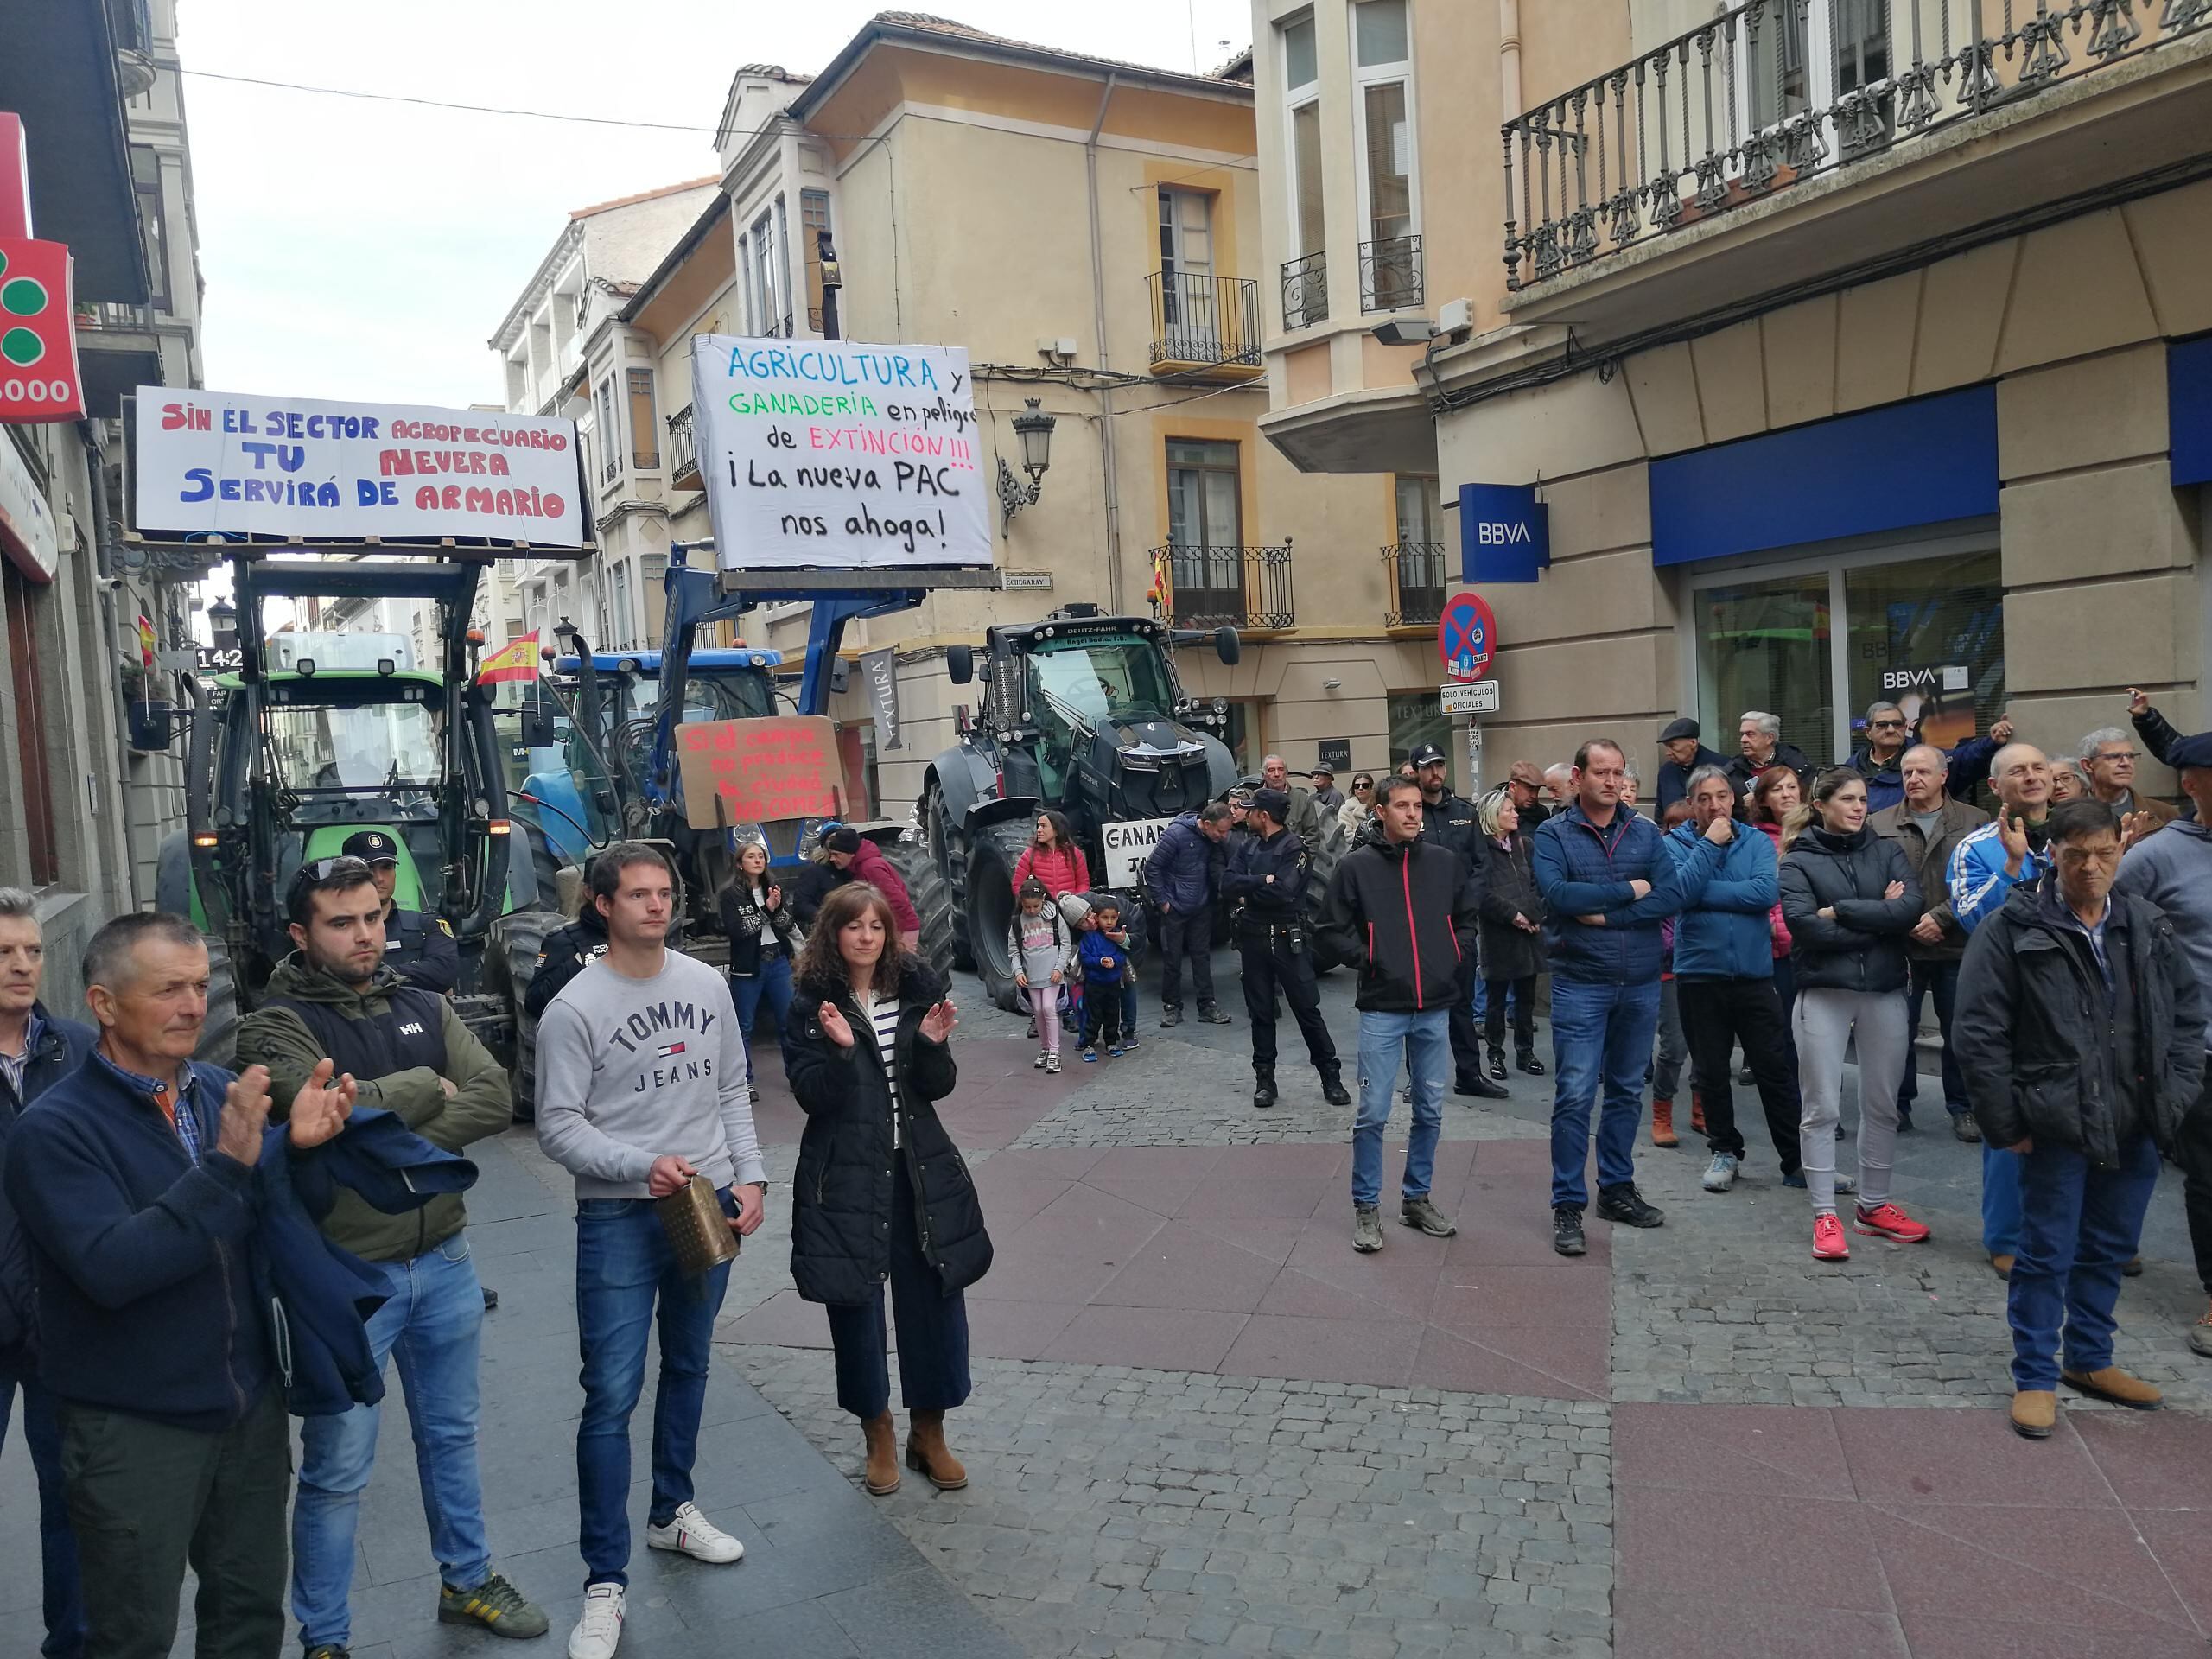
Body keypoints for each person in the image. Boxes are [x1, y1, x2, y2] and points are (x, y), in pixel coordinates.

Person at [5, 912, 354, 1659]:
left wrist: (306, 1155)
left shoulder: (217, 1093)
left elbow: (281, 1225)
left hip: (245, 1410)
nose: (194, 1006)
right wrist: (229, 1166)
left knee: (250, 1621)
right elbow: (112, 1268)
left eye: (199, 986)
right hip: (134, 1428)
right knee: (132, 1635)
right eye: (168, 990)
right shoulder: (55, 1128)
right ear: (103, 1004)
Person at [236, 858, 544, 1656]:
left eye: (374, 916)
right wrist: (419, 1087)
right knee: (338, 1471)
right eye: (343, 922)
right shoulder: (272, 1024)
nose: (367, 934)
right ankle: (327, 1637)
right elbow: (323, 1116)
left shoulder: (423, 1000)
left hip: (445, 1259)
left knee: (452, 1436)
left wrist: (372, 1133)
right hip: (348, 1280)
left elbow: (491, 1095)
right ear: (303, 935)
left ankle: (467, 1581)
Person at [535, 843, 767, 1659]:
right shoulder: (574, 1009)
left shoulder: (706, 986)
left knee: (694, 1365)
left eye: (664, 893)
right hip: (619, 1218)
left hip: (707, 1205)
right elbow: (558, 1126)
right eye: (638, 894)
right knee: (610, 1395)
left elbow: (732, 1088)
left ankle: (672, 1511)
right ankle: (606, 1581)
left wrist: (754, 1177)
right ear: (602, 904)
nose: (656, 907)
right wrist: (641, 1166)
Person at [1955, 798, 2205, 1439]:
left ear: (2122, 849)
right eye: (2076, 856)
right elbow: (1979, 1035)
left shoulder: (2146, 923)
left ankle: (2090, 1360)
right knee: (2045, 1252)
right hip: (2056, 1122)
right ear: (2053, 856)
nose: (2092, 868)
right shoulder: (2011, 930)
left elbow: (2185, 1017)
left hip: (2136, 1116)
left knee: (2110, 1247)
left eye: (2104, 854)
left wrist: (2171, 1099)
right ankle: (2036, 1375)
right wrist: (2007, 1123)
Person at [785, 882, 986, 1497]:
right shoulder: (810, 1006)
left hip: (918, 1168)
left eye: (877, 926)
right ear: (833, 934)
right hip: (844, 1174)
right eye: (854, 926)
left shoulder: (916, 992)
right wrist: (843, 1054)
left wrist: (931, 1045)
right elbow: (812, 1095)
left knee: (934, 1298)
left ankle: (930, 1433)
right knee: (857, 1308)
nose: (867, 937)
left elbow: (938, 1086)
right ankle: (877, 1433)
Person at [1534, 739, 1718, 1256]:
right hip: (1580, 983)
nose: (1612, 783)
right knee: (1573, 1094)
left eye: (1618, 773)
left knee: (1623, 1092)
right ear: (1578, 776)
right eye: (1601, 773)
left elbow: (1671, 896)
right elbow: (1559, 896)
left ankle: (1615, 1189)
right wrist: (1628, 891)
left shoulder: (1643, 833)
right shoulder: (1554, 834)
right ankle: (1567, 1203)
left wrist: (1608, 912)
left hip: (1640, 983)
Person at [1320, 778, 1479, 1254]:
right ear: (1382, 811)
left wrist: (1453, 954)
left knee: (1430, 1109)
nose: (1413, 813)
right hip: (1383, 1008)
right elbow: (1328, 930)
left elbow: (1466, 918)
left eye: (1417, 806)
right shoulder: (1356, 868)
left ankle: (1416, 1198)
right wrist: (1370, 957)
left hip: (1434, 1007)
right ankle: (1366, 1208)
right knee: (1372, 1113)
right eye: (1403, 806)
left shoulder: (1444, 864)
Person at [1781, 769, 1928, 1262]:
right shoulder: (1797, 859)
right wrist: (1876, 918)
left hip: (1884, 987)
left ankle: (1874, 1204)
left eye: (1863, 798)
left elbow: (1910, 907)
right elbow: (1804, 927)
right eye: (1847, 798)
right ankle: (1825, 1212)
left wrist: (1840, 910)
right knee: (1821, 1106)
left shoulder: (1886, 849)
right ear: (1821, 804)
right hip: (1823, 990)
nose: (1859, 806)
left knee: (1883, 1104)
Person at [0, 890, 93, 1659]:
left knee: (71, 1497)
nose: (23, 964)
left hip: (62, 1313)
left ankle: (74, 1644)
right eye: (4, 953)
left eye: (31, 950)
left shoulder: (76, 1048)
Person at [2113, 731, 2212, 1356]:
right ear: (2193, 783)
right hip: (2197, 1046)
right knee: (2208, 1174)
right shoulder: (2157, 857)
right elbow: (2102, 925)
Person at [1666, 767, 1803, 1193]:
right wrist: (1709, 846)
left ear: (1735, 799)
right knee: (1710, 1070)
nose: (1715, 805)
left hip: (1753, 974)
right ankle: (1724, 1151)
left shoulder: (1759, 841)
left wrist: (1706, 894)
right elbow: (1679, 894)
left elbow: (1765, 893)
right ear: (1692, 804)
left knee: (1775, 1069)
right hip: (1698, 974)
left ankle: (1797, 1160)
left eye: (1722, 795)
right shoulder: (1672, 844)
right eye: (1704, 798)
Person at [1951, 743, 2059, 1276]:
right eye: (2018, 769)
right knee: (2009, 1116)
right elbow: (1972, 918)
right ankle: (2007, 1237)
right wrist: (2015, 864)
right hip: (2011, 1000)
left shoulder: (2075, 835)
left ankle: (2086, 1229)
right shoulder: (1975, 846)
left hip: (2074, 997)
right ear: (1995, 786)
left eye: (2039, 767)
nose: (2032, 776)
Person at [1870, 745, 1989, 1143]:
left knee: (1960, 1030)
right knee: (1896, 1030)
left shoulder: (1975, 820)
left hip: (1957, 942)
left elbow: (1982, 881)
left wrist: (1940, 917)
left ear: (1943, 776)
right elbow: (1874, 882)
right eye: (1907, 772)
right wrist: (1905, 920)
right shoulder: (1879, 822)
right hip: (1900, 945)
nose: (1913, 779)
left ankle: (1963, 1107)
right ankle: (1898, 1105)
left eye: (1922, 771)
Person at [1224, 790, 1349, 1108]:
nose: (1246, 815)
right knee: (1261, 1013)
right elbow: (1226, 884)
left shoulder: (1295, 848)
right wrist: (1261, 882)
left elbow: (1284, 891)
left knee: (1307, 1010)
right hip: (1253, 941)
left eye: (1250, 811)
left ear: (1263, 816)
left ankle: (1330, 1077)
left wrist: (1249, 888)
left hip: (1287, 940)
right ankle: (1265, 1080)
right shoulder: (1248, 845)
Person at [1409, 741, 1507, 1101]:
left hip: (1458, 924)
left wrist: (1467, 907)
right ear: (1416, 771)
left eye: (1440, 766)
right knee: (1417, 1005)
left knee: (1462, 1005)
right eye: (1428, 767)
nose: (1435, 773)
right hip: (1419, 924)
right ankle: (1417, 1080)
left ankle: (1469, 1074)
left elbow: (1482, 865)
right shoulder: (1410, 811)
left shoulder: (1464, 812)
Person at [1143, 801, 1234, 1028]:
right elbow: (1152, 868)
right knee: (1172, 960)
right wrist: (1163, 902)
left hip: (1202, 908)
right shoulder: (1175, 835)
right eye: (1220, 831)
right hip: (1175, 909)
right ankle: (1172, 1007)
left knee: (1202, 958)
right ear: (1206, 824)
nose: (1223, 836)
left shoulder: (1212, 840)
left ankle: (1207, 1006)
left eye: (1227, 831)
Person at [1475, 789, 1546, 1081]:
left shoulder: (1524, 845)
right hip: (1499, 936)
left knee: (1526, 999)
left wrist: (1531, 916)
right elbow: (1481, 893)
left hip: (1528, 934)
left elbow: (1537, 885)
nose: (1516, 814)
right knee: (1496, 1000)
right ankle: (1495, 1055)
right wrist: (1513, 916)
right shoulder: (1479, 850)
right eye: (1509, 810)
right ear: (1494, 816)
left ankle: (1525, 1052)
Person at [719, 841, 802, 1080]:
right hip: (748, 967)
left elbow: (787, 925)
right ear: (740, 864)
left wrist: (776, 909)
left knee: (788, 1022)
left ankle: (796, 1075)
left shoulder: (773, 889)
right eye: (751, 857)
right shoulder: (730, 895)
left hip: (778, 962)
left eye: (761, 856)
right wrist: (766, 911)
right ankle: (746, 1080)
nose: (757, 860)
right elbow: (740, 931)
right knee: (744, 1026)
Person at [342, 828, 460, 994]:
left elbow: (443, 974)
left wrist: (370, 976)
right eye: (368, 868)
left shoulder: (427, 925)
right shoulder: (333, 931)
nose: (379, 878)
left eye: (387, 867)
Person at [1847, 702, 2011, 813]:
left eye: (1897, 724)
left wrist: (1993, 742)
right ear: (1868, 732)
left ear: (1905, 728)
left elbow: (1965, 758)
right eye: (1882, 725)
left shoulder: (1927, 758)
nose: (1891, 730)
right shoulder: (1852, 767)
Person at [1648, 802, 1697, 1148]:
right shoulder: (1658, 865)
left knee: (1709, 1047)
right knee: (1674, 1046)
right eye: (1671, 826)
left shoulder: (1708, 858)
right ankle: (1661, 1112)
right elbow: (1658, 917)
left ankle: (1701, 1108)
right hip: (1669, 969)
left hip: (1704, 965)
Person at [1009, 877, 1076, 1074]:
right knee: (1037, 1010)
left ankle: (1055, 1051)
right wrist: (1018, 971)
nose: (1031, 911)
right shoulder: (1017, 921)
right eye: (1027, 907)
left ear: (1044, 899)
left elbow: (1065, 943)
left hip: (1052, 974)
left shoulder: (1053, 916)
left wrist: (1059, 968)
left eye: (1035, 906)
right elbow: (1013, 951)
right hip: (1031, 975)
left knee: (1048, 1007)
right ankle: (1045, 1048)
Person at [823, 826, 921, 953]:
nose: (832, 859)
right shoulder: (862, 867)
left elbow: (897, 902)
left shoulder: (870, 868)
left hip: (902, 929)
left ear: (850, 853)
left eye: (836, 854)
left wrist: (894, 934)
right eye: (831, 855)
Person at [2081, 727, 2178, 831]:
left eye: (2131, 756)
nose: (2126, 763)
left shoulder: (2164, 813)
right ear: (2087, 765)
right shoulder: (2068, 816)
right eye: (2114, 756)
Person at [1077, 897, 1130, 1060]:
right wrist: (1100, 961)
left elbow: (1122, 956)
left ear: (1118, 916)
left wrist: (1114, 961)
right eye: (1105, 918)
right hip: (1094, 983)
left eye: (1113, 918)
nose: (1109, 922)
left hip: (1113, 982)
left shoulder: (1117, 935)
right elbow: (1084, 958)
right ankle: (1089, 1044)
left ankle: (1111, 1042)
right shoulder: (1089, 937)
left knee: (1112, 1013)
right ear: (1096, 917)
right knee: (1093, 1014)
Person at [1724, 710, 1815, 800]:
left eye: (1750, 734)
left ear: (1769, 738)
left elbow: (1808, 802)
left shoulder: (1796, 766)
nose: (1743, 740)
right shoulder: (1732, 771)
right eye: (1742, 734)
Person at [1654, 718, 1729, 815]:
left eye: (1672, 746)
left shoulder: (1722, 767)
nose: (1667, 753)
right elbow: (1660, 812)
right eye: (1666, 747)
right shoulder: (1666, 772)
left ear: (1693, 743)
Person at [1013, 810, 1090, 899]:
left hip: (1068, 907)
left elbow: (1083, 883)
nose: (1039, 830)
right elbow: (1018, 886)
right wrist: (1033, 903)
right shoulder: (1029, 854)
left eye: (1043, 826)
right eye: (1038, 826)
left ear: (1057, 830)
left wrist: (1075, 902)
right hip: (1041, 909)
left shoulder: (1074, 853)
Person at [1262, 753, 1327, 855]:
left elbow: (1312, 837)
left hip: (1293, 864)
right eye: (1271, 770)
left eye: (1281, 769)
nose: (1277, 774)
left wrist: (1302, 867)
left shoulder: (1302, 799)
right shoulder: (1254, 799)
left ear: (1286, 773)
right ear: (1263, 775)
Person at [1506, 760, 1552, 830]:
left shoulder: (1541, 813)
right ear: (1512, 787)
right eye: (1530, 789)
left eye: (1537, 790)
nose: (1534, 796)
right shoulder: (1492, 812)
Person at [1337, 772, 1376, 838]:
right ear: (1353, 789)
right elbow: (1346, 836)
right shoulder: (1346, 809)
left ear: (1371, 788)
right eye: (1357, 786)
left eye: (1365, 785)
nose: (1360, 788)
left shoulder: (1379, 807)